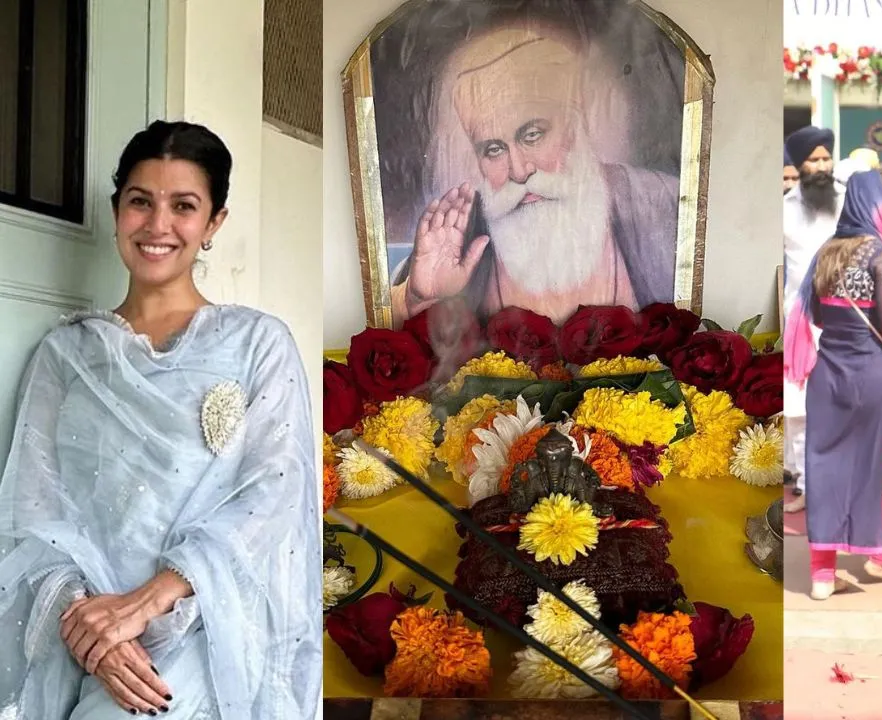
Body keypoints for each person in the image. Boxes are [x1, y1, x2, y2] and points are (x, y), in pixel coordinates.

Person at [0, 121, 321, 719]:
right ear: (117, 208)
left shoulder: (256, 344)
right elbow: (31, 511)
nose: (157, 225)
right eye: (140, 202)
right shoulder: (66, 354)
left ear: (213, 224)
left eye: (184, 206)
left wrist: (145, 604)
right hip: (88, 640)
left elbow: (274, 497)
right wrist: (87, 630)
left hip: (207, 631)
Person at [389, 21, 679, 326]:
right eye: (494, 149)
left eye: (532, 135)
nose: (519, 170)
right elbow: (396, 320)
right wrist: (417, 299)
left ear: (576, 121)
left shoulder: (666, 207)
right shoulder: (454, 239)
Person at [784, 170, 882, 597]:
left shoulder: (827, 252)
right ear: (879, 206)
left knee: (828, 468)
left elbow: (811, 311)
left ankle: (822, 576)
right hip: (877, 377)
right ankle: (881, 556)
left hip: (829, 377)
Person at [782, 126, 844, 513]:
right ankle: (805, 485)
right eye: (814, 159)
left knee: (840, 405)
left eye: (826, 158)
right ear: (799, 164)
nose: (822, 166)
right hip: (801, 323)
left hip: (845, 320)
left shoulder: (847, 203)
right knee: (801, 410)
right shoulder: (784, 210)